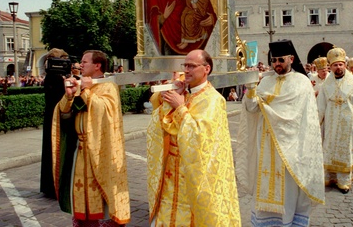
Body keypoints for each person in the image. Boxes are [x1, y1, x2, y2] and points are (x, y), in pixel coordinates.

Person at [147, 49, 241, 226]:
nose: (186, 70)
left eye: (192, 66)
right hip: (172, 173)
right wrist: (170, 98)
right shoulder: (185, 94)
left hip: (195, 176)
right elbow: (165, 124)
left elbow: (199, 138)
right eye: (185, 65)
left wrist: (181, 107)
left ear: (206, 69)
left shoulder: (213, 99)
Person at [237, 39, 324, 226]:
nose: (277, 64)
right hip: (266, 145)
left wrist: (268, 109)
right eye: (274, 60)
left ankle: (288, 221)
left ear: (291, 59)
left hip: (290, 146)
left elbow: (296, 117)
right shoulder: (265, 82)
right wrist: (251, 90)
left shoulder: (302, 82)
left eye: (281, 60)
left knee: (288, 189)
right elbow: (252, 109)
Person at [51, 50, 130, 226]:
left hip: (100, 150)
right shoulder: (81, 85)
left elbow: (104, 111)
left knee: (101, 192)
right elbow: (66, 111)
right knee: (82, 193)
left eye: (84, 61)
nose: (80, 64)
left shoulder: (108, 86)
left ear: (97, 65)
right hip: (81, 149)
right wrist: (69, 95)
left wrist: (86, 90)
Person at [317, 48, 353, 193]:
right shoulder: (325, 85)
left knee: (345, 151)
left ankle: (344, 181)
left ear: (345, 65)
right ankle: (330, 178)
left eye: (340, 64)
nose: (338, 67)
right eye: (335, 65)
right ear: (331, 67)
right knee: (329, 148)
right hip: (330, 125)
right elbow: (320, 106)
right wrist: (316, 122)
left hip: (347, 125)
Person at [40, 48, 69, 199]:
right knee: (55, 149)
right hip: (56, 117)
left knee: (50, 149)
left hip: (51, 116)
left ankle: (49, 186)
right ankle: (54, 186)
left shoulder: (51, 76)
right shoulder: (56, 78)